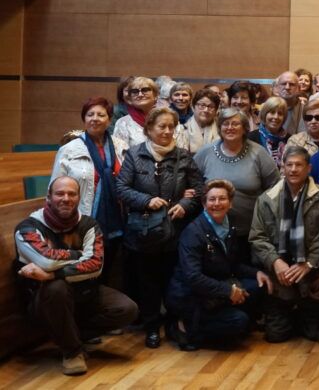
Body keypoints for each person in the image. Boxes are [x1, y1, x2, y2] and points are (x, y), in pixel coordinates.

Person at [13, 176, 138, 376]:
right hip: (44, 302)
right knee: (56, 287)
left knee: (127, 309)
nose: (66, 198)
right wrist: (79, 254)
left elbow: (95, 266)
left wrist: (51, 274)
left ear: (79, 198)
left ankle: (72, 335)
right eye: (60, 194)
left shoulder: (89, 225)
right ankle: (72, 352)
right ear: (48, 198)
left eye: (72, 194)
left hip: (84, 292)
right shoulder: (27, 228)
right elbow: (47, 261)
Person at [116, 106, 204, 348]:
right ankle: (152, 327)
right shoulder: (134, 154)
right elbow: (121, 188)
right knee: (148, 283)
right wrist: (146, 200)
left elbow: (199, 189)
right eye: (161, 126)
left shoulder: (183, 156)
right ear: (149, 128)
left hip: (176, 231)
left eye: (171, 127)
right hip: (144, 233)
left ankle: (175, 326)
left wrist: (185, 204)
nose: (167, 131)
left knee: (174, 282)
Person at [165, 179, 273, 351]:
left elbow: (232, 265)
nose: (217, 203)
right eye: (212, 199)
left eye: (222, 199)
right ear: (204, 203)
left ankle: (218, 320)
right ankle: (185, 327)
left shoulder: (229, 227)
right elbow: (193, 278)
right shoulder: (193, 232)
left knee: (256, 286)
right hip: (190, 295)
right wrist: (228, 291)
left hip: (214, 287)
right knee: (239, 321)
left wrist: (256, 273)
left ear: (230, 203)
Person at [249, 146, 319, 343]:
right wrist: (275, 261)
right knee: (276, 335)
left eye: (299, 165)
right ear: (283, 167)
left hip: (311, 274)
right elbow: (257, 237)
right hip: (280, 274)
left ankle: (304, 312)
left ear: (309, 168)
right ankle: (290, 313)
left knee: (312, 333)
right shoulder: (267, 199)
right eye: (289, 165)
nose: (293, 169)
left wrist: (309, 263)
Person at [50, 98, 127, 260]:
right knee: (84, 264)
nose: (95, 119)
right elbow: (54, 188)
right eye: (90, 114)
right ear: (84, 119)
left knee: (108, 264)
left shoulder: (121, 146)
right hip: (80, 220)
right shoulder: (69, 150)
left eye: (101, 115)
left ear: (109, 120)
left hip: (116, 217)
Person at [193, 107, 280, 241]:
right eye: (225, 124)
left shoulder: (259, 153)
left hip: (250, 232)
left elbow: (276, 186)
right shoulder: (205, 152)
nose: (230, 128)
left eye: (235, 124)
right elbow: (192, 182)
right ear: (219, 128)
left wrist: (264, 213)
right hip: (212, 233)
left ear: (244, 128)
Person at [113, 77, 188, 154]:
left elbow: (183, 152)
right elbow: (120, 155)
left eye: (145, 90)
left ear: (156, 96)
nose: (140, 94)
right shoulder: (123, 123)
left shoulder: (170, 120)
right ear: (130, 99)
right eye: (135, 91)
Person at [248, 96, 290, 168]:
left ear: (284, 118)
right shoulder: (251, 138)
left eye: (280, 114)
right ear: (264, 114)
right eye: (272, 112)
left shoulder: (289, 140)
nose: (276, 117)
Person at [185, 88, 221, 154]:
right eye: (202, 105)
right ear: (193, 107)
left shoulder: (221, 129)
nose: (206, 110)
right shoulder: (182, 129)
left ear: (216, 111)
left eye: (210, 107)